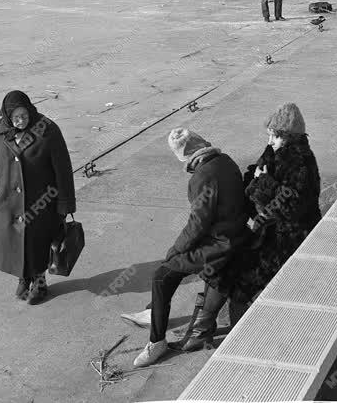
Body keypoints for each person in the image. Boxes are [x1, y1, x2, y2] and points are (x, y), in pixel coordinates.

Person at [133, 128, 249, 368]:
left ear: (186, 157)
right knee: (182, 272)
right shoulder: (225, 161)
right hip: (237, 235)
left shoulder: (203, 176)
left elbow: (198, 223)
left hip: (220, 245)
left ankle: (157, 342)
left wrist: (175, 250)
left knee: (162, 275)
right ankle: (195, 329)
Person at [221, 103, 321, 324]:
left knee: (244, 285)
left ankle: (241, 336)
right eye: (269, 136)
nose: (269, 142)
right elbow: (255, 187)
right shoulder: (276, 152)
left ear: (288, 137)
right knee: (239, 280)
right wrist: (258, 182)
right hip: (273, 233)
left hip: (289, 237)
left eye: (274, 137)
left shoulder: (299, 161)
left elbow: (289, 204)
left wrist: (263, 183)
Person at [0, 90, 76, 305]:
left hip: (42, 202)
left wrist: (65, 202)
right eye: (16, 117)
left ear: (31, 111)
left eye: (24, 116)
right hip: (8, 205)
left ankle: (40, 281)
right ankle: (24, 278)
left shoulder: (48, 129)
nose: (21, 121)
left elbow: (63, 169)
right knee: (16, 245)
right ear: (6, 116)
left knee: (38, 244)